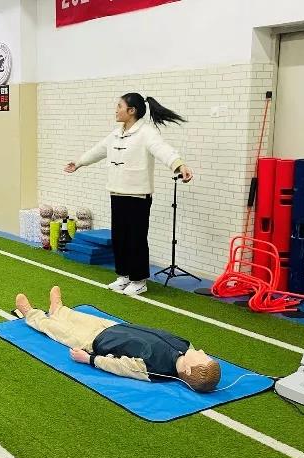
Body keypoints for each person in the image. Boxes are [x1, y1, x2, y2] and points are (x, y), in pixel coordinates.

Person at [64, 93, 193, 296]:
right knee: (119, 238)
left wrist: (179, 165)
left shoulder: (146, 133)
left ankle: (139, 280)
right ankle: (123, 275)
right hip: (117, 194)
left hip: (138, 197)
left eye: (119, 106)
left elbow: (163, 150)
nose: (116, 110)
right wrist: (79, 163)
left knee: (136, 239)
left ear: (131, 111)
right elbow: (98, 150)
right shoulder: (116, 134)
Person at [15, 286, 221, 392]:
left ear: (187, 370)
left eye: (202, 357)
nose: (202, 352)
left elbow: (120, 366)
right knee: (79, 317)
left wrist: (89, 359)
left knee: (58, 330)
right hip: (115, 328)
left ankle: (32, 314)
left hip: (95, 342)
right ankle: (58, 310)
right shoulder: (186, 346)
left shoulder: (154, 369)